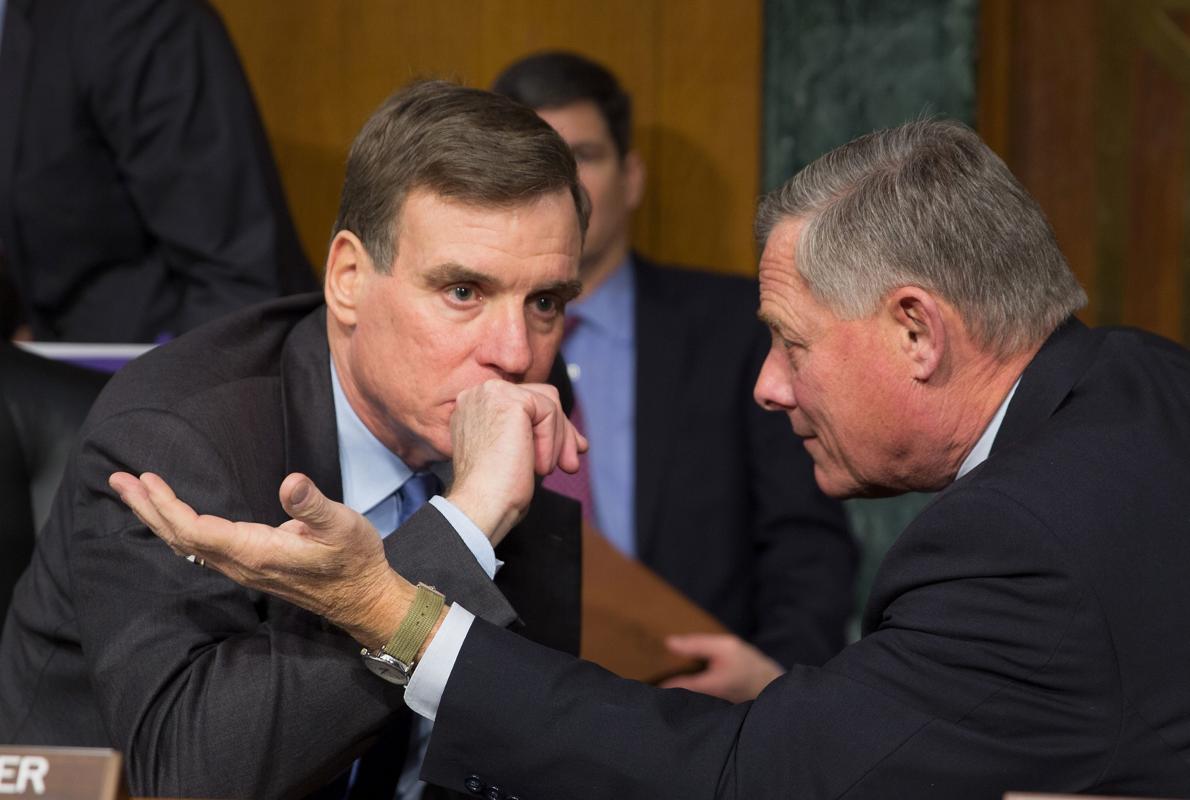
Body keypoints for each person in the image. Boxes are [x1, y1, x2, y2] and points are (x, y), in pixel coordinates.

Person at [118, 118, 1190, 798]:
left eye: (789, 339)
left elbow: (746, 779)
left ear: (916, 329)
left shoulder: (1019, 542)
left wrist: (394, 599)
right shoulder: (1142, 379)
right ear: (349, 275)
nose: (767, 385)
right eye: (462, 290)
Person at [0, 80, 589, 800]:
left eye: (546, 302)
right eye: (463, 291)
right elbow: (191, 778)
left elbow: (521, 738)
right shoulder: (179, 434)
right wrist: (466, 526)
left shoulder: (528, 400)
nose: (514, 351)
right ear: (348, 278)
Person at [492, 52, 855, 696]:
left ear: (630, 177)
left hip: (704, 717)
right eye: (535, 160)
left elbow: (808, 547)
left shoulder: (739, 329)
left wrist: (776, 690)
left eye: (584, 155)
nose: (563, 184)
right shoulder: (467, 340)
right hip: (504, 705)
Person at [0, 0, 315, 343]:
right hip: (62, 366)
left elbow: (241, 279)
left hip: (183, 366)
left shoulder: (134, 18)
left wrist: (158, 393)